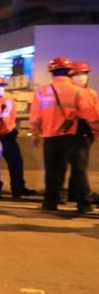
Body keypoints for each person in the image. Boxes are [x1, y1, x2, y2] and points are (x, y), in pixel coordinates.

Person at [30, 56, 99, 214]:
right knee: (79, 170)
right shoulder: (79, 90)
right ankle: (83, 204)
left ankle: (50, 202)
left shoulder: (42, 91)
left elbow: (35, 116)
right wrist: (95, 131)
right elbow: (91, 115)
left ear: (51, 72)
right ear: (70, 72)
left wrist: (35, 133)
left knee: (53, 171)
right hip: (74, 136)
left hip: (50, 137)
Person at [0, 75, 36, 199]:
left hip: (8, 137)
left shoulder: (9, 102)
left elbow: (12, 119)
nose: (0, 89)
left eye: (1, 86)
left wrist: (11, 130)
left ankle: (18, 189)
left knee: (16, 163)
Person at [69, 61, 98, 206]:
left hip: (86, 133)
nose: (81, 77)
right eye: (77, 74)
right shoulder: (69, 92)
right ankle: (84, 197)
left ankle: (74, 194)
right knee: (79, 166)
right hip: (72, 132)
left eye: (84, 74)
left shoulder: (92, 93)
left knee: (78, 166)